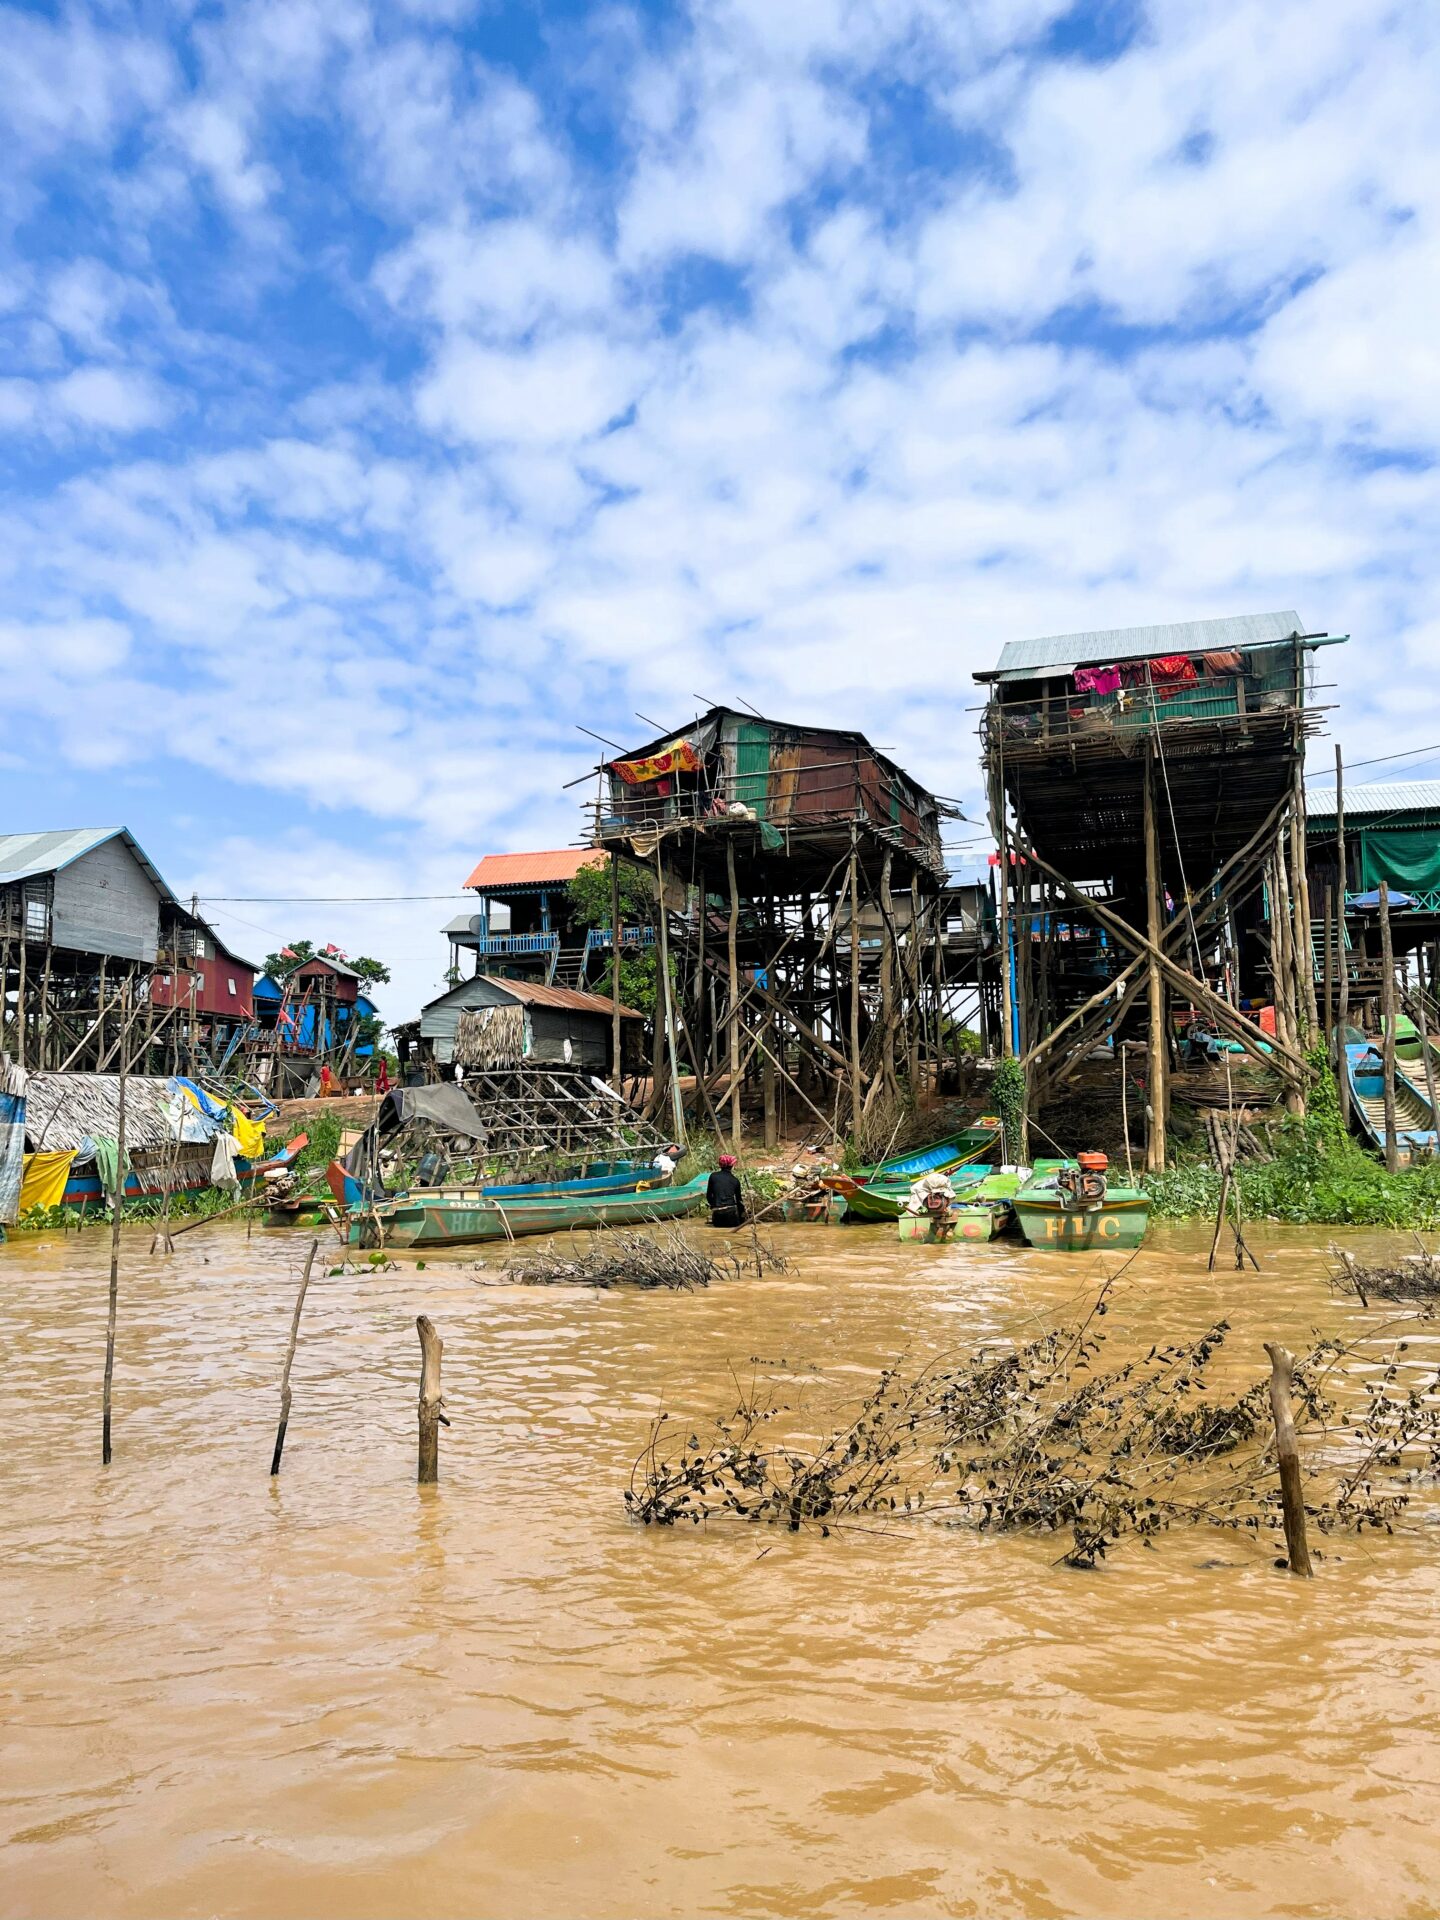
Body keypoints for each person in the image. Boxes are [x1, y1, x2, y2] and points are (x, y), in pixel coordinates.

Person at [707, 1153, 746, 1228]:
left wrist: (713, 1206)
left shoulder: (713, 1176)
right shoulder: (735, 1180)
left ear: (720, 1165)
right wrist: (742, 1218)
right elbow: (739, 1201)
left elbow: (709, 1196)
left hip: (717, 1214)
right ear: (732, 1166)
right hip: (731, 1214)